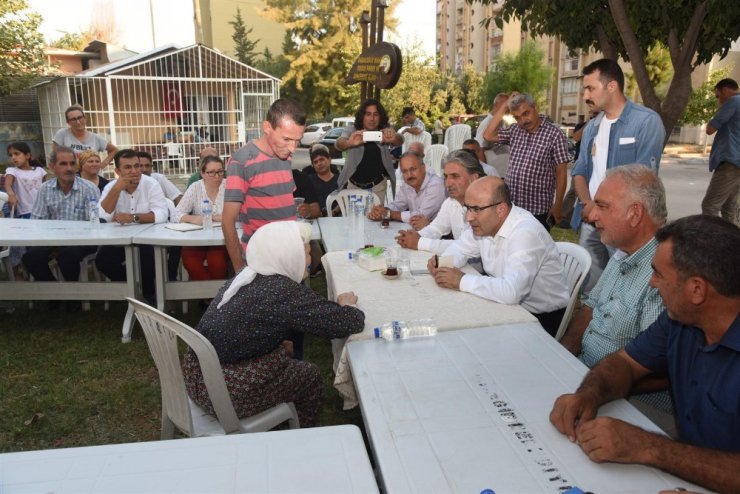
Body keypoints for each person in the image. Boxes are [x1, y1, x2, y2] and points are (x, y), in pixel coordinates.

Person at [549, 215, 740, 494]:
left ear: (697, 289)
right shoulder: (680, 320)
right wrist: (589, 394)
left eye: (659, 274)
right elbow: (625, 363)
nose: (651, 283)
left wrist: (649, 448)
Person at [183, 221, 364, 427]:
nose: (310, 259)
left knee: (284, 353)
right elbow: (346, 324)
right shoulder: (282, 291)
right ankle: (301, 435)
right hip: (225, 393)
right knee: (309, 375)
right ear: (286, 255)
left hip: (197, 378)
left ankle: (282, 422)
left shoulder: (246, 276)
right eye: (304, 252)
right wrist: (348, 305)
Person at [558, 165, 673, 431]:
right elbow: (589, 308)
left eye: (602, 206)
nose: (591, 215)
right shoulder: (624, 251)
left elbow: (660, 369)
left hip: (633, 404)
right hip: (586, 380)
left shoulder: (666, 271)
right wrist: (561, 357)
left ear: (635, 214)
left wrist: (594, 387)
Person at [429, 176, 570, 336]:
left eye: (476, 209)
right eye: (468, 208)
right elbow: (460, 248)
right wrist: (443, 265)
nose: (469, 217)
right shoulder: (486, 224)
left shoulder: (525, 233)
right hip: (503, 304)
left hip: (540, 318)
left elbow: (511, 292)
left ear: (500, 210)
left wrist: (460, 280)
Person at [571, 58, 666, 294]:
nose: (585, 96)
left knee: (626, 284)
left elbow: (644, 180)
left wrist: (604, 208)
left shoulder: (646, 122)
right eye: (585, 89)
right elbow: (580, 170)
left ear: (612, 86)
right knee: (592, 285)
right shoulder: (592, 127)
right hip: (590, 219)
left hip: (624, 222)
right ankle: (592, 325)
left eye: (591, 88)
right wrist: (588, 203)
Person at [222, 98, 306, 272]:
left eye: (298, 140)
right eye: (287, 139)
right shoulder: (242, 160)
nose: (293, 148)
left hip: (290, 258)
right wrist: (240, 270)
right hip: (259, 262)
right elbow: (227, 221)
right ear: (267, 127)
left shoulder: (285, 156)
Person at [22, 146, 100, 312]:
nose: (69, 168)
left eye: (72, 163)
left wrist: (64, 243)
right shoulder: (45, 189)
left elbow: (94, 225)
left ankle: (74, 299)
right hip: (51, 240)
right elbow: (37, 222)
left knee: (68, 255)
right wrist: (54, 242)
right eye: (63, 164)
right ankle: (55, 292)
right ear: (52, 167)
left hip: (83, 240)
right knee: (31, 257)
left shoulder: (89, 188)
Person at [481, 92, 570, 231]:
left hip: (537, 209)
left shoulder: (555, 134)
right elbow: (488, 135)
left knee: (534, 249)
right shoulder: (515, 130)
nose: (523, 120)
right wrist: (504, 106)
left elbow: (561, 173)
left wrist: (558, 204)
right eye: (517, 117)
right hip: (512, 205)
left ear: (535, 107)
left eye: (526, 113)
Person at [96, 149, 168, 304]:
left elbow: (162, 214)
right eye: (128, 167)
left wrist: (133, 218)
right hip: (120, 240)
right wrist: (117, 189)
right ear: (117, 171)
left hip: (149, 238)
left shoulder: (151, 184)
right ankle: (135, 291)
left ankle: (150, 295)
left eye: (137, 166)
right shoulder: (111, 187)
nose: (135, 171)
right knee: (102, 260)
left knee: (147, 254)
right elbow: (103, 215)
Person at [396, 150, 484, 254]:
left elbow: (467, 246)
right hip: (463, 262)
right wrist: (416, 235)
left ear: (474, 178)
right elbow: (436, 229)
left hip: (480, 268)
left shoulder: (485, 205)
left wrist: (419, 242)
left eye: (455, 176)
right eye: (446, 177)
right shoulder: (451, 202)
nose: (448, 183)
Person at [335, 98, 403, 204]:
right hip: (354, 187)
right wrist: (349, 143)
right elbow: (339, 143)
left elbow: (400, 139)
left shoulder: (384, 130)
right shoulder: (353, 130)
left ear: (380, 117)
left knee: (375, 219)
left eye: (376, 114)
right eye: (368, 114)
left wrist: (393, 138)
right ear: (362, 116)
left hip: (378, 187)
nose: (372, 118)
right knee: (354, 219)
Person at [172, 155, 228, 283]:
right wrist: (194, 219)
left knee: (217, 262)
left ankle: (209, 299)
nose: (217, 176)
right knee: (190, 262)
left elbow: (240, 213)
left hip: (222, 238)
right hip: (197, 238)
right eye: (211, 172)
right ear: (202, 173)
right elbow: (176, 215)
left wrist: (210, 218)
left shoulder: (229, 186)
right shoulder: (195, 187)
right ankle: (213, 298)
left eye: (220, 171)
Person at [367, 151, 445, 229]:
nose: (409, 175)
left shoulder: (436, 185)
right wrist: (381, 211)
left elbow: (420, 216)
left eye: (413, 169)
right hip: (418, 231)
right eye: (404, 171)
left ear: (423, 168)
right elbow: (397, 205)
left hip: (440, 237)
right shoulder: (408, 183)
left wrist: (389, 214)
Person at [702, 78, 739, 226]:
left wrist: (721, 106)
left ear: (725, 90)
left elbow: (710, 129)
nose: (719, 100)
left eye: (718, 96)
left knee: (710, 206)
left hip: (730, 162)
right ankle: (733, 245)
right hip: (738, 165)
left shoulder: (733, 102)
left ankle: (712, 245)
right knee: (729, 209)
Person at [52, 105, 118, 167]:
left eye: (80, 118)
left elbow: (114, 150)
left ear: (85, 118)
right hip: (72, 176)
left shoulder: (95, 138)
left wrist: (102, 165)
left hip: (92, 177)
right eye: (73, 119)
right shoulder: (62, 134)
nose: (78, 122)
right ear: (68, 122)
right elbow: (55, 155)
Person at [4, 142, 47, 218]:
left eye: (16, 154)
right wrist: (11, 195)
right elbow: (7, 184)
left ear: (27, 155)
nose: (13, 157)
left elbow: (46, 188)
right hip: (26, 212)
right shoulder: (12, 171)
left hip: (43, 210)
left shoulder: (39, 170)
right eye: (11, 155)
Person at [476, 92, 512, 177]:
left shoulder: (502, 121)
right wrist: (485, 173)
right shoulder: (487, 123)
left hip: (503, 172)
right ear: (496, 105)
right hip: (494, 173)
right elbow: (480, 149)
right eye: (504, 105)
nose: (507, 107)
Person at [306, 144, 338, 217]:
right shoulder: (308, 181)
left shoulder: (340, 180)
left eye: (322, 159)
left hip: (337, 218)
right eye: (315, 162)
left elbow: (344, 200)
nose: (319, 164)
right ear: (313, 166)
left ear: (329, 160)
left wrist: (332, 213)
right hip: (315, 218)